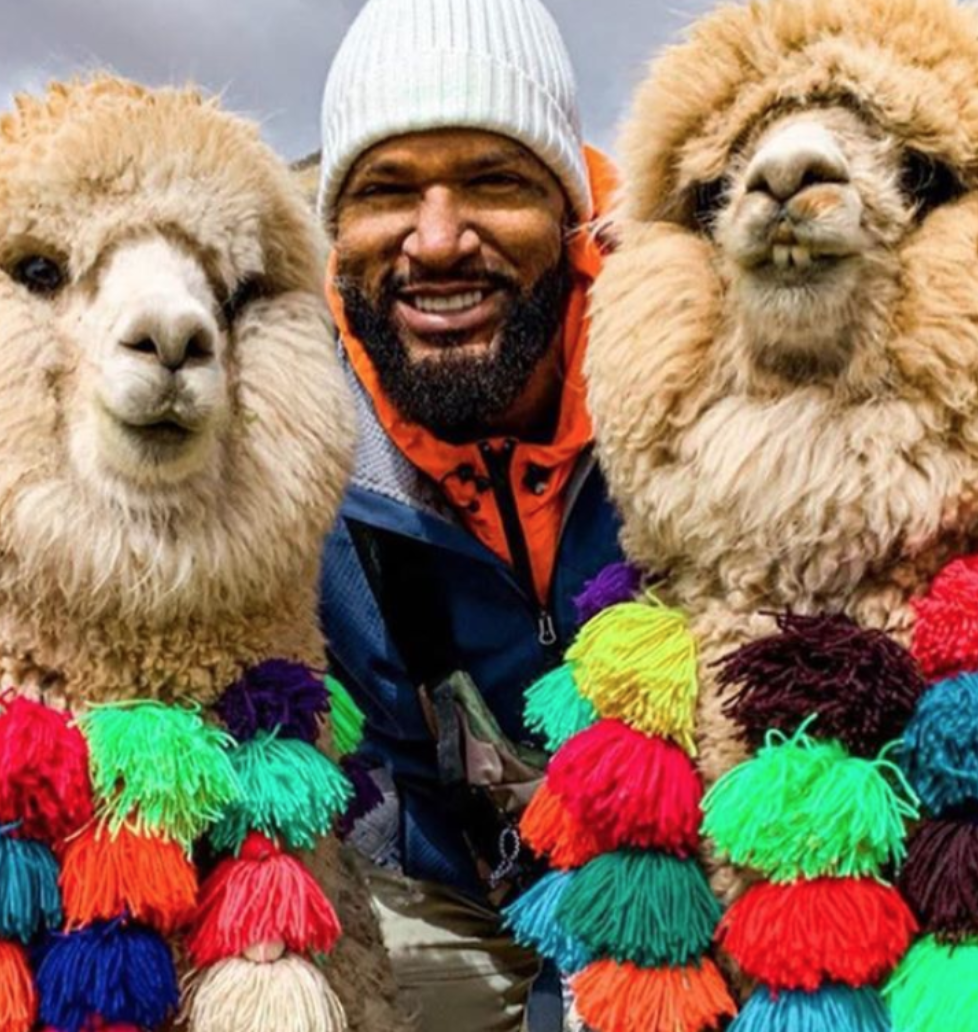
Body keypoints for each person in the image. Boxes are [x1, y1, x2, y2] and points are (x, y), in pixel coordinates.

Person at [316, 0, 624, 1028]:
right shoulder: (275, 436)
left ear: (571, 212)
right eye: (385, 192)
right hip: (433, 897)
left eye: (493, 182)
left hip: (694, 878)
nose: (438, 240)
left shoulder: (713, 375)